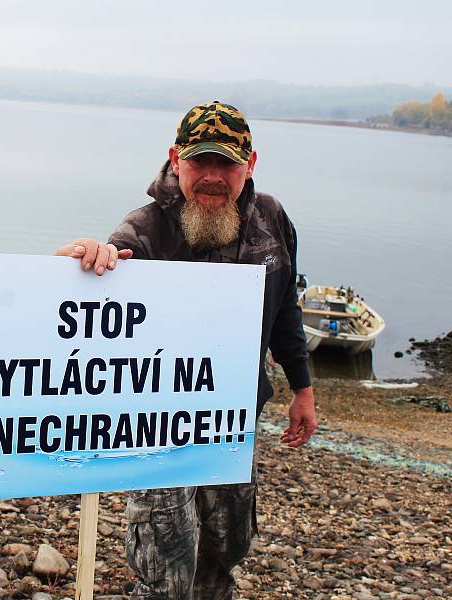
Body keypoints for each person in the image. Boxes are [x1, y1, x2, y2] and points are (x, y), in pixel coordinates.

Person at [56, 100, 317, 599]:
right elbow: (90, 320)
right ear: (176, 159)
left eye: (228, 163)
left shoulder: (271, 220)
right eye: (201, 162)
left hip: (234, 420)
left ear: (251, 164)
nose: (214, 177)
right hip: (159, 430)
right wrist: (78, 266)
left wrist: (302, 389)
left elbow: (285, 307)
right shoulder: (143, 231)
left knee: (228, 546)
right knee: (165, 566)